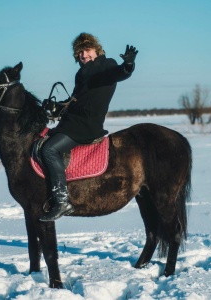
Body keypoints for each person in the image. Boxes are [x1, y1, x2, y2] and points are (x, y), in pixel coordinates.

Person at [39, 32, 138, 222]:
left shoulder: (105, 65)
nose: (83, 55)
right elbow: (77, 100)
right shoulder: (81, 73)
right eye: (79, 53)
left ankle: (61, 201)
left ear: (96, 49)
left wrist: (128, 66)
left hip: (85, 127)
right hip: (73, 123)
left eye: (87, 50)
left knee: (50, 150)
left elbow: (117, 74)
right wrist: (58, 107)